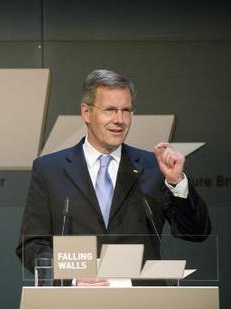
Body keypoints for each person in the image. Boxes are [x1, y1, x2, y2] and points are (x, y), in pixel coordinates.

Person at [16, 69, 211, 286]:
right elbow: (32, 245)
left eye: (126, 110)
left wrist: (177, 182)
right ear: (86, 112)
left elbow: (196, 232)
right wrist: (70, 279)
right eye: (110, 110)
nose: (120, 120)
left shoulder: (154, 168)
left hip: (142, 300)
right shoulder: (50, 169)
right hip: (76, 300)